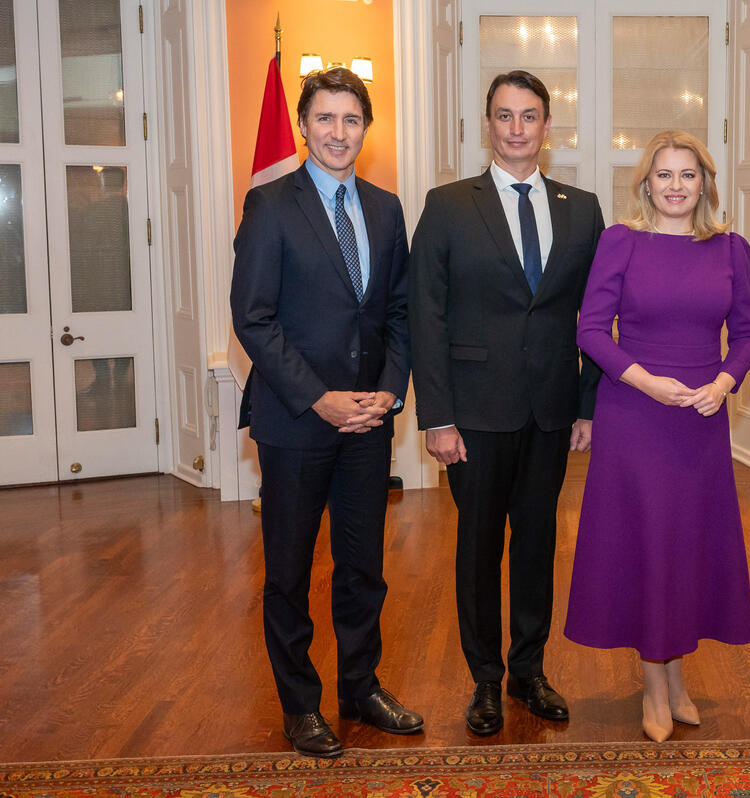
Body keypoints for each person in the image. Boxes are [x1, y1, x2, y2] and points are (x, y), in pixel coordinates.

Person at [230, 67, 421, 758]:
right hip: (295, 421)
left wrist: (388, 391)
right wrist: (318, 397)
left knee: (363, 568)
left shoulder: (386, 208)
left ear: (365, 128)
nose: (339, 132)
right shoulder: (270, 205)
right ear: (305, 126)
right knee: (288, 572)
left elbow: (400, 312)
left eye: (351, 119)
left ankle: (361, 688)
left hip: (368, 422)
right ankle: (300, 706)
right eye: (326, 118)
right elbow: (253, 318)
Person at [408, 70, 605, 736]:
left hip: (551, 411)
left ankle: (529, 671)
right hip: (472, 413)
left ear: (547, 126)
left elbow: (595, 318)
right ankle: (486, 681)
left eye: (529, 116)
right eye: (504, 115)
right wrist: (436, 416)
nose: (516, 128)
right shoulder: (447, 205)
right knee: (478, 547)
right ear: (486, 124)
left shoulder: (582, 209)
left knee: (538, 543)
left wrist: (587, 405)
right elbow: (425, 314)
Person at [564, 130, 750, 742]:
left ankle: (678, 680)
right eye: (664, 174)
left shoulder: (731, 248)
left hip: (701, 419)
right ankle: (654, 686)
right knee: (646, 544)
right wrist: (645, 381)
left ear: (704, 183)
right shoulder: (620, 241)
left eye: (688, 174)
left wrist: (724, 383)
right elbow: (591, 330)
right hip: (635, 415)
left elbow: (748, 333)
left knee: (687, 547)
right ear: (646, 184)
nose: (676, 186)